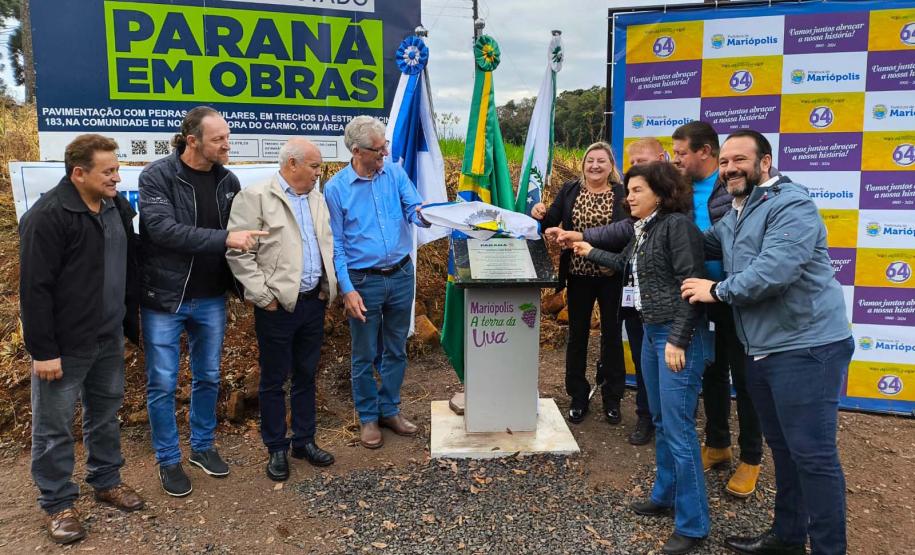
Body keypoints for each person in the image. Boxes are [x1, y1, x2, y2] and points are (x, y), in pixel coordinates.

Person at [682, 130, 854, 555]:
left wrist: (716, 291)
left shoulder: (790, 204)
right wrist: (650, 225)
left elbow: (775, 271)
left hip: (807, 348)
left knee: (813, 456)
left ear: (765, 162)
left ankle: (830, 549)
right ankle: (789, 538)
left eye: (739, 159)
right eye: (723, 162)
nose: (729, 169)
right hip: (762, 349)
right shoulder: (736, 213)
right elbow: (698, 244)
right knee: (785, 450)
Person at [574, 161, 710, 555]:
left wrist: (679, 340)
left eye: (635, 190)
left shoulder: (676, 226)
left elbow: (692, 285)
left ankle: (694, 525)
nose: (627, 197)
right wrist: (591, 250)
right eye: (628, 190)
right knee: (664, 421)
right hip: (653, 333)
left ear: (661, 193)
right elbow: (626, 266)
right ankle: (664, 495)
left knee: (680, 429)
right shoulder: (645, 228)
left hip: (674, 337)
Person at [20, 134, 144, 544]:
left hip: (107, 337)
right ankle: (58, 504)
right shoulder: (48, 216)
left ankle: (106, 480)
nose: (116, 176)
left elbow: (128, 265)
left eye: (116, 168)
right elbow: (34, 289)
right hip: (64, 347)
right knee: (54, 428)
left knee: (105, 414)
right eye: (108, 171)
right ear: (79, 173)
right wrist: (44, 351)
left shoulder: (115, 207)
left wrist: (129, 325)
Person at [139, 106, 265, 497]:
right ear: (191, 140)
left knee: (208, 377)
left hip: (210, 298)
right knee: (162, 384)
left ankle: (202, 447)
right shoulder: (157, 176)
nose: (227, 145)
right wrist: (225, 239)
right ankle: (168, 460)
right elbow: (164, 231)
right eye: (218, 139)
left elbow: (240, 233)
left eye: (227, 137)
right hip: (165, 298)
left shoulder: (228, 180)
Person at [226, 138, 338, 481]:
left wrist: (325, 288)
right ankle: (276, 447)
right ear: (292, 164)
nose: (319, 173)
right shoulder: (257, 197)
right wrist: (264, 297)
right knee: (274, 380)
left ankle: (303, 440)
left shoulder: (316, 198)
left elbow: (326, 243)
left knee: (306, 375)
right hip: (276, 308)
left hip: (312, 304)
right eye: (314, 166)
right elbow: (239, 252)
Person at [323, 116, 429, 449]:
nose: (384, 152)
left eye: (385, 146)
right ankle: (368, 418)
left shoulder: (394, 173)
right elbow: (336, 244)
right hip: (363, 282)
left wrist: (426, 213)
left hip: (400, 274)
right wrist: (347, 289)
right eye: (378, 148)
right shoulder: (336, 189)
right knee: (364, 353)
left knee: (396, 349)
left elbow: (413, 208)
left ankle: (390, 410)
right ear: (357, 151)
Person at [672, 121, 763, 498]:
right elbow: (688, 239)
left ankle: (752, 459)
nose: (676, 160)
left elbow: (736, 247)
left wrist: (720, 288)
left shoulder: (739, 192)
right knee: (710, 371)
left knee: (745, 380)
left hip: (735, 299)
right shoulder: (679, 189)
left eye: (682, 154)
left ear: (703, 152)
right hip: (699, 297)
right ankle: (718, 444)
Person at [534, 141, 628, 425]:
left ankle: (612, 398)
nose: (595, 166)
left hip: (611, 275)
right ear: (583, 164)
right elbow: (550, 221)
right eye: (590, 160)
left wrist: (583, 237)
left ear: (611, 165)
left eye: (601, 160)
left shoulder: (622, 194)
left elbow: (623, 234)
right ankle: (577, 395)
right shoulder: (570, 190)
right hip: (577, 275)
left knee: (612, 336)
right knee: (577, 337)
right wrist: (539, 212)